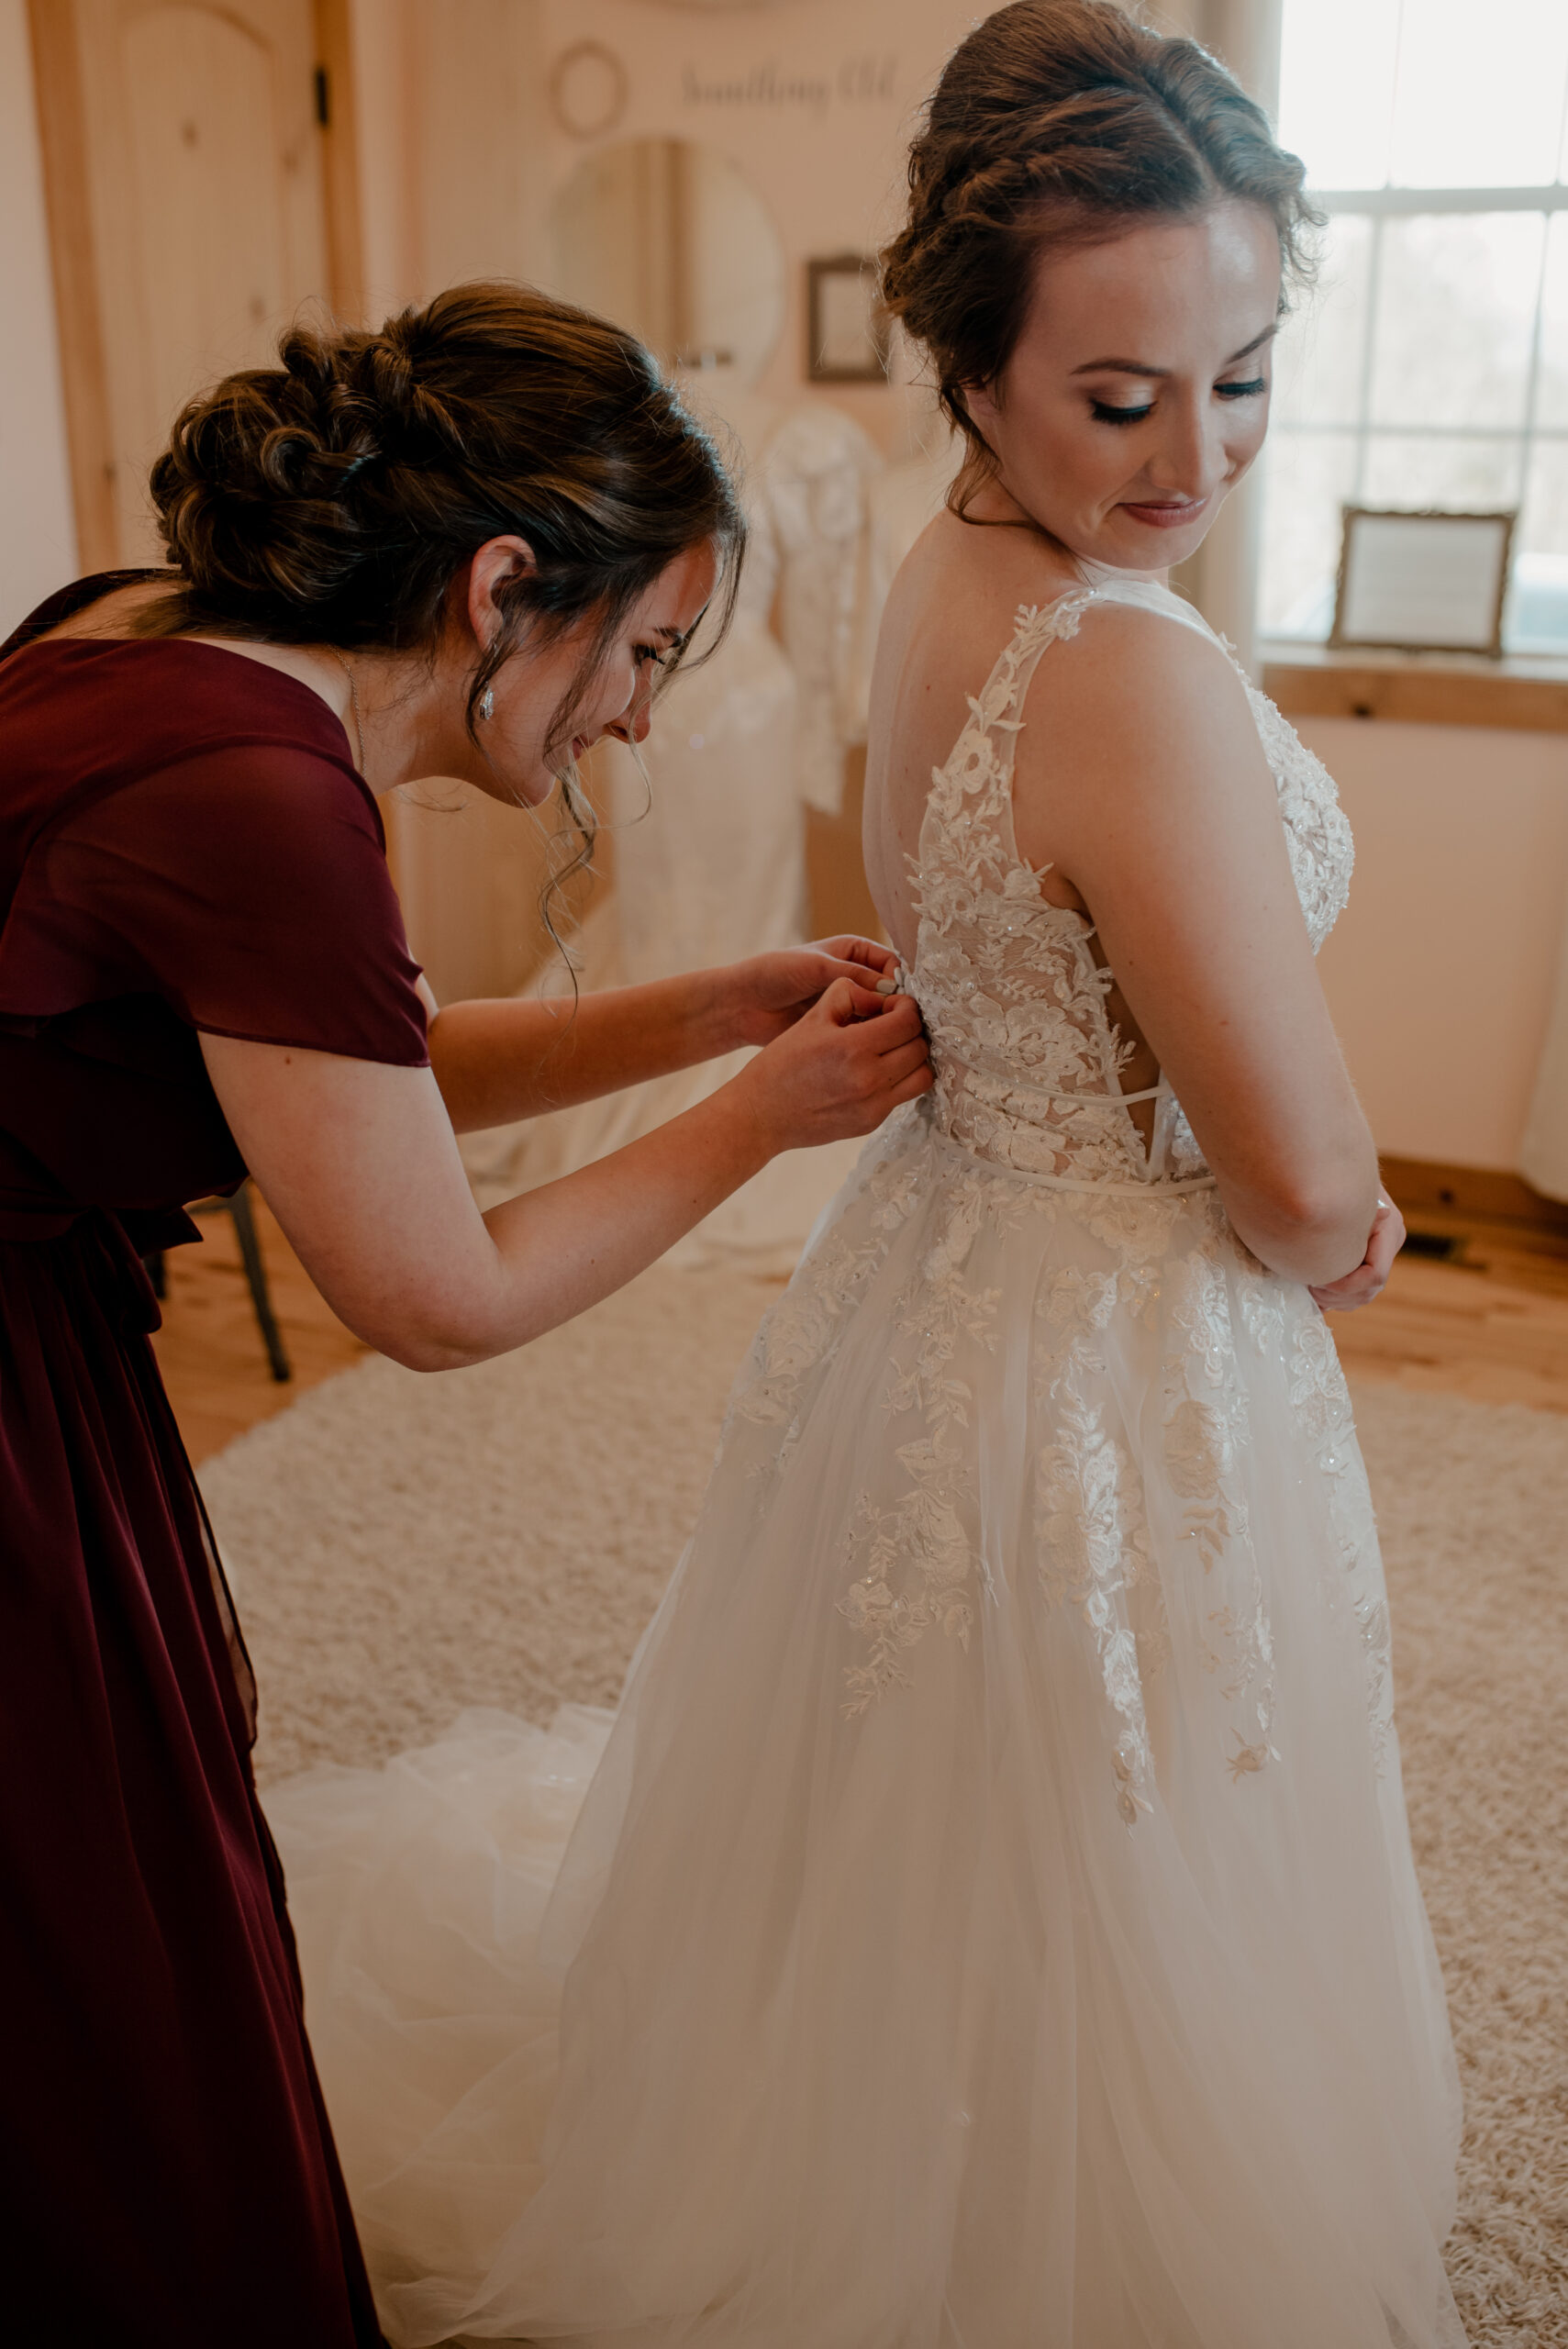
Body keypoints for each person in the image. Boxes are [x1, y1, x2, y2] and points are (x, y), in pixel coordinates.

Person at [263, 10, 1469, 2344]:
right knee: (1103, 1835)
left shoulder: (950, 580)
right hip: (1106, 1327)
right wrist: (1347, 1223)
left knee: (946, 1813)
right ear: (971, 352)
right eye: (1122, 398)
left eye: (1243, 374)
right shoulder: (1126, 668)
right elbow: (1303, 1171)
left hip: (945, 1273)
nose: (1195, 453)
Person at [0, 281, 929, 2348]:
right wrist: (762, 1121)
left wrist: (703, 1010)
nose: (644, 721)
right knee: (90, 1961)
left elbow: (361, 1063)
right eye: (645, 653)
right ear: (510, 585)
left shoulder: (135, 629)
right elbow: (436, 1289)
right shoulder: (267, 800)